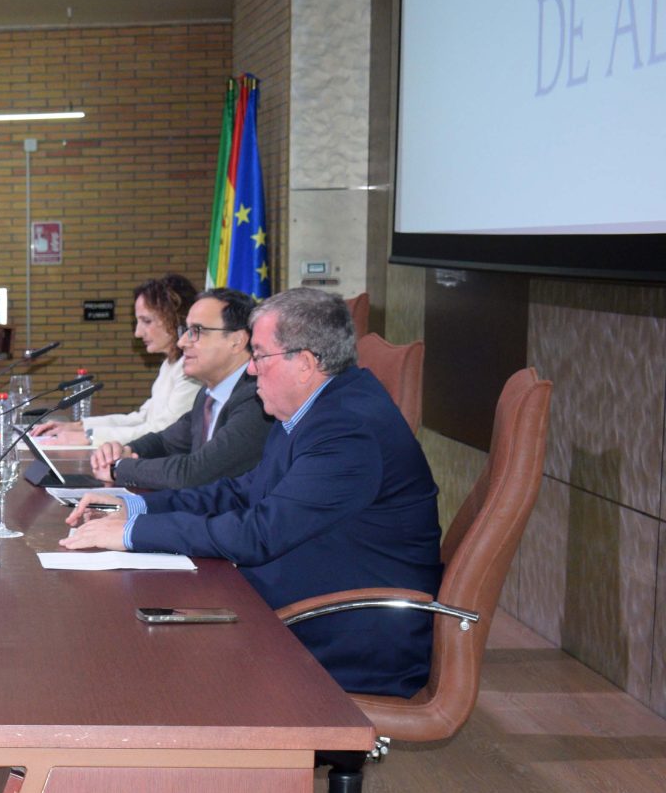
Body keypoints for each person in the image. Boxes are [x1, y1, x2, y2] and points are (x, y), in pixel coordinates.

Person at [61, 288, 442, 698]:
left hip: (345, 632)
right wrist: (135, 505)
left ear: (304, 364)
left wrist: (131, 533)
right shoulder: (312, 408)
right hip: (301, 594)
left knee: (142, 649)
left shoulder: (347, 431)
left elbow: (258, 534)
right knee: (135, 611)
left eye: (259, 355)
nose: (250, 370)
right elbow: (242, 492)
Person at [86, 288, 273, 491]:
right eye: (185, 331)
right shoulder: (208, 395)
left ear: (237, 341)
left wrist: (120, 468)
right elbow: (165, 442)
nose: (181, 342)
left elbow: (195, 473)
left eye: (196, 331)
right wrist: (123, 451)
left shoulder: (257, 398)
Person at [32, 274, 200, 447]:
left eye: (147, 321)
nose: (138, 333)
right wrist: (78, 427)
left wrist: (89, 437)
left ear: (177, 318)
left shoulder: (191, 370)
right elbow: (141, 418)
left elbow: (162, 431)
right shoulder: (170, 364)